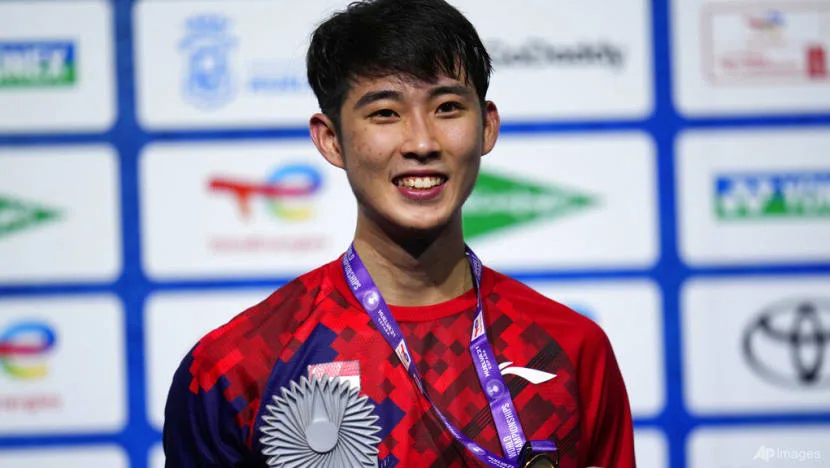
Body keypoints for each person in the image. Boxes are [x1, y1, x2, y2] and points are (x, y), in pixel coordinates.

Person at [163, 0, 636, 466]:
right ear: (331, 139)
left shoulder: (571, 349)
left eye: (447, 107)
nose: (422, 143)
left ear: (487, 126)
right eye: (385, 113)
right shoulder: (237, 368)